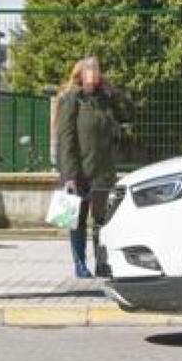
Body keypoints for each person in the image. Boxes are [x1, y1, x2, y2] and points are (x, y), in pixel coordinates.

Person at [55, 56, 131, 278]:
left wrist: (114, 92)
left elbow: (127, 115)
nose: (94, 74)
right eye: (90, 70)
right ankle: (79, 264)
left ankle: (101, 262)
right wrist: (69, 175)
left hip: (102, 171)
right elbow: (65, 139)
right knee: (76, 221)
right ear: (80, 74)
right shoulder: (71, 100)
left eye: (97, 70)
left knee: (102, 220)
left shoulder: (105, 100)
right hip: (77, 172)